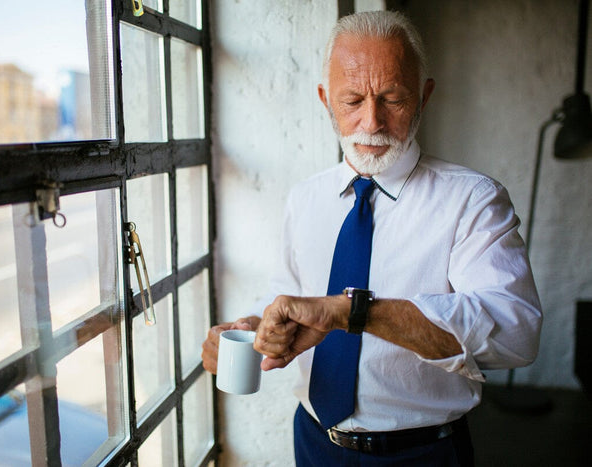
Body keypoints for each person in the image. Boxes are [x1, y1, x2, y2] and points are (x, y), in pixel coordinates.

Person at [202, 10, 542, 466]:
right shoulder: (305, 198)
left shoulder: (474, 200)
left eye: (392, 98)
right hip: (314, 442)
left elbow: (517, 332)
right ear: (325, 99)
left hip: (423, 454)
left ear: (424, 96)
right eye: (352, 99)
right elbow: (287, 299)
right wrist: (252, 328)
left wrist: (354, 312)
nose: (372, 121)